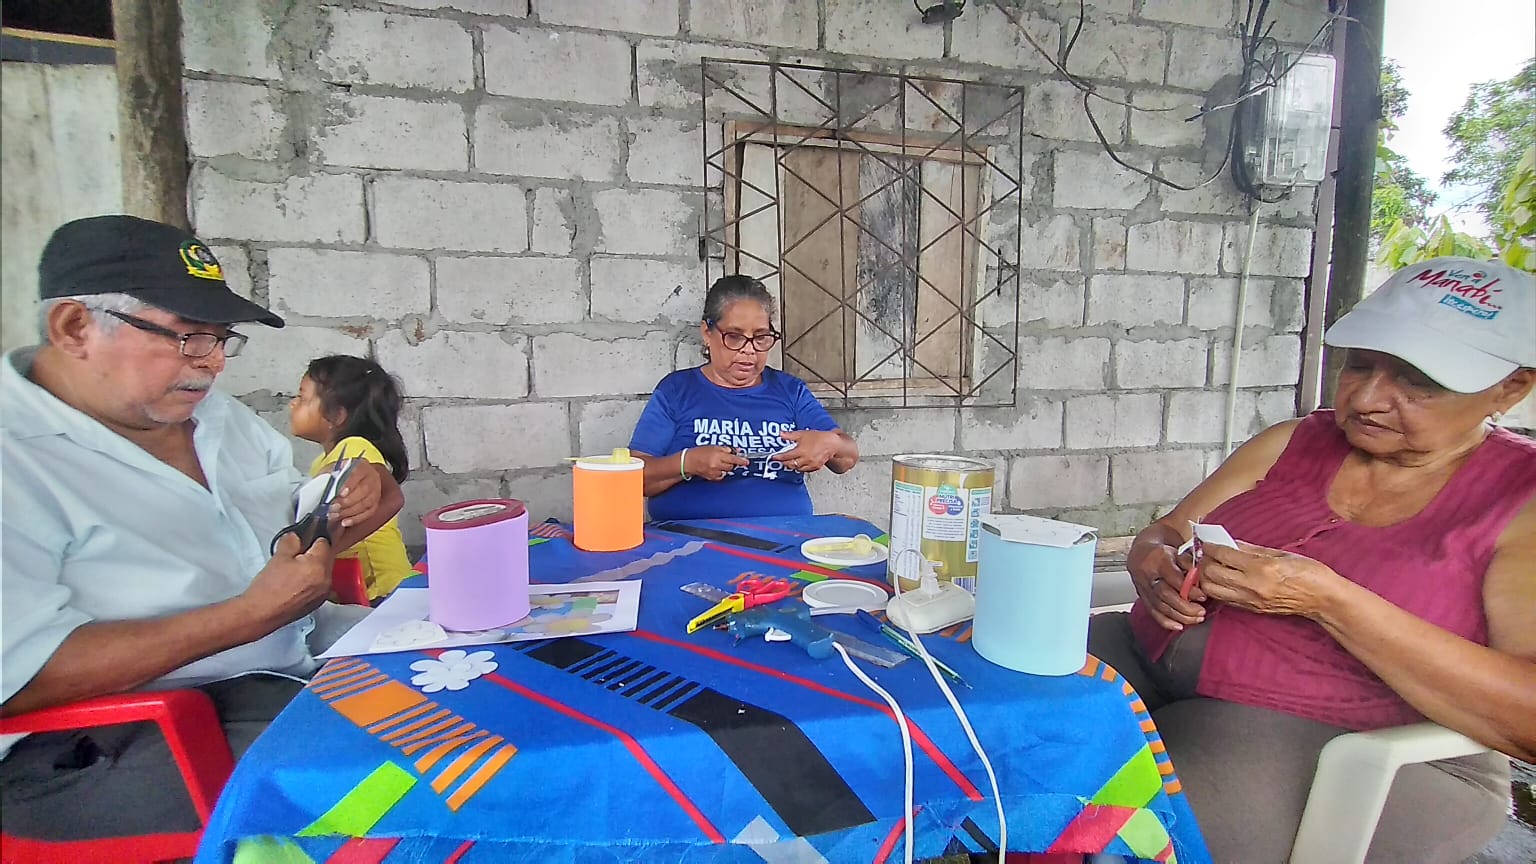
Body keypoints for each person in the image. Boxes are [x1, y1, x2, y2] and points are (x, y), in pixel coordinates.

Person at [1087, 257, 1536, 863]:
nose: (1368, 398)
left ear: (1511, 387)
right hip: (1148, 661)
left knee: (1129, 828)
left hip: (1337, 736)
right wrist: (1151, 560)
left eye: (1418, 383)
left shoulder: (1521, 501)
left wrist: (1327, 600)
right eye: (1360, 364)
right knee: (982, 697)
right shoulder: (1296, 441)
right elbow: (1167, 531)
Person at [0, 215, 404, 841]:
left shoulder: (220, 419)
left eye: (221, 340)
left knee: (485, 689)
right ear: (75, 327)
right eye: (188, 338)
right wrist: (248, 617)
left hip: (288, 666)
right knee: (404, 776)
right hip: (106, 739)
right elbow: (18, 677)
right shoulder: (15, 456)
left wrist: (359, 497)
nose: (212, 365)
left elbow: (288, 536)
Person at [629, 275, 859, 520]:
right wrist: (687, 463)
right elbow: (633, 476)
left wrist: (830, 444)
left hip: (785, 534)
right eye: (734, 336)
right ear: (707, 333)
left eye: (760, 337)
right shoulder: (677, 390)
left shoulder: (790, 391)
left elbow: (847, 458)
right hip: (689, 537)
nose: (749, 350)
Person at [290, 355, 413, 601]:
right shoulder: (320, 463)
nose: (293, 404)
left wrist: (324, 552)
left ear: (337, 415)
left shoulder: (354, 448)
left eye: (302, 398)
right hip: (361, 592)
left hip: (384, 590)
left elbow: (392, 499)